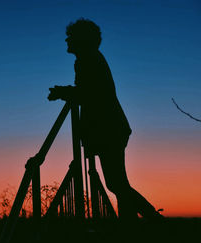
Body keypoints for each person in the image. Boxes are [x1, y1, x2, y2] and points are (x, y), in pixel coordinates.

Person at [48, 18, 162, 220]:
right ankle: (133, 227)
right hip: (110, 128)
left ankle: (154, 219)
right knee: (118, 183)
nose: (67, 41)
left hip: (109, 129)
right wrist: (66, 92)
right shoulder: (90, 59)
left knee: (116, 183)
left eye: (70, 37)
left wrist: (63, 93)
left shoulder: (88, 60)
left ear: (81, 40)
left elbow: (90, 93)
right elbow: (90, 92)